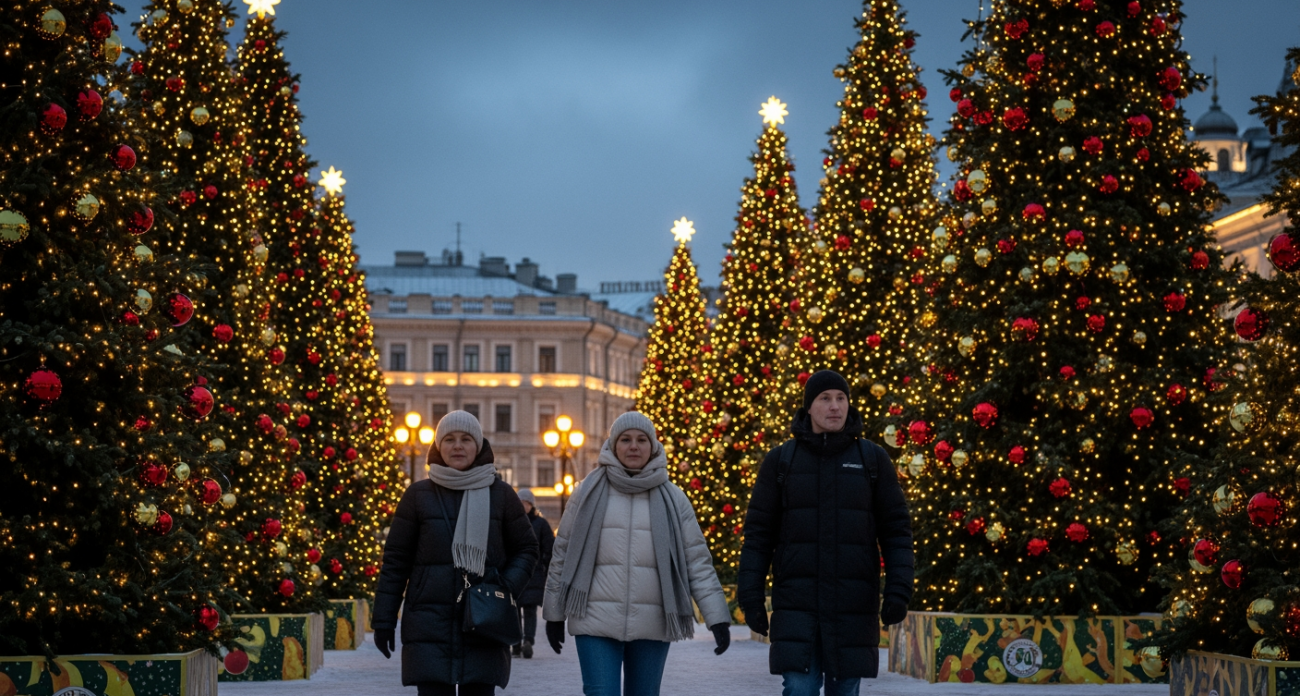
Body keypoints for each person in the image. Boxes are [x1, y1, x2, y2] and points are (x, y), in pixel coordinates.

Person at [737, 370, 914, 696]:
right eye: (825, 398)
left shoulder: (872, 459)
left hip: (853, 607)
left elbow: (896, 531)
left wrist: (899, 591)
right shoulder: (781, 461)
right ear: (808, 408)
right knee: (799, 688)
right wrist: (750, 597)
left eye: (841, 398)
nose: (835, 406)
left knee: (845, 690)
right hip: (797, 606)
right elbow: (759, 535)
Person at [542, 411, 731, 696]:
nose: (634, 446)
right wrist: (554, 614)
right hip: (595, 619)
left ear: (653, 446)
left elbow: (697, 562)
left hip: (652, 622)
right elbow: (562, 555)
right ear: (613, 446)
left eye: (642, 440)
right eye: (626, 439)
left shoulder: (674, 499)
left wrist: (717, 617)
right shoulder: (586, 493)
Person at [372, 410, 540, 696]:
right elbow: (396, 562)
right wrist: (384, 620)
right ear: (438, 446)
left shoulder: (501, 494)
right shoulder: (417, 495)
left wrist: (504, 586)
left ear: (479, 446)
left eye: (465, 439)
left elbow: (527, 548)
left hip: (485, 622)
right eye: (449, 439)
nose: (458, 446)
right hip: (428, 623)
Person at [513, 488, 553, 659]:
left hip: (534, 574)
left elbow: (549, 547)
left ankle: (528, 641)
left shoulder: (541, 524)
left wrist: (544, 565)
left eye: (527, 503)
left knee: (529, 609)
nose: (524, 506)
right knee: (513, 610)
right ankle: (515, 643)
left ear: (532, 505)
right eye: (521, 502)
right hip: (513, 573)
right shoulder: (511, 522)